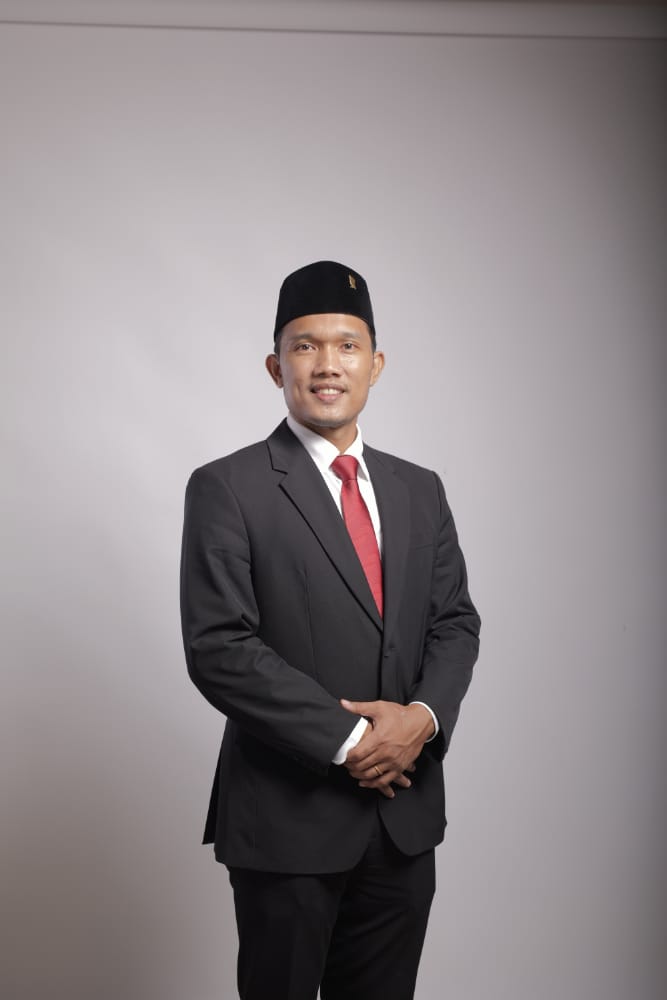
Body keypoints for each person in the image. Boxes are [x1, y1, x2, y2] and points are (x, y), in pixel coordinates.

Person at [180, 260, 480, 1000]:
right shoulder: (227, 487)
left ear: (375, 364)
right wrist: (355, 742)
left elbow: (453, 622)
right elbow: (220, 647)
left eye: (347, 346)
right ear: (274, 366)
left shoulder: (420, 488)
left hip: (403, 818)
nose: (326, 365)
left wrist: (421, 719)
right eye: (305, 346)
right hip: (287, 819)